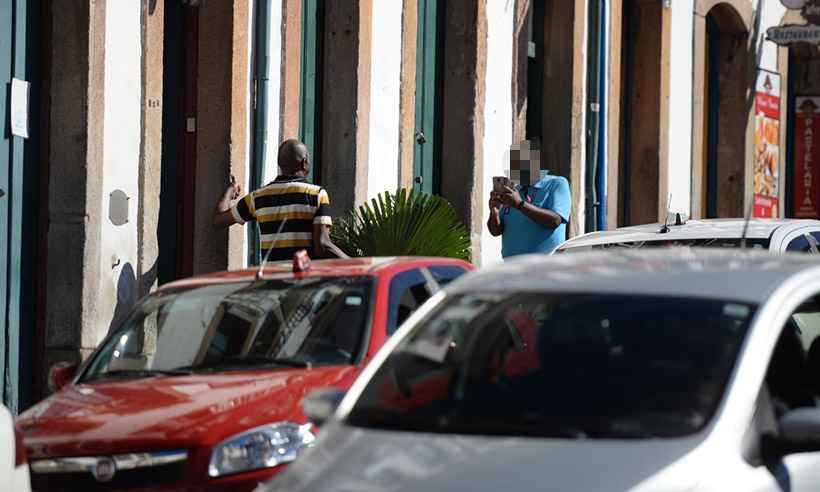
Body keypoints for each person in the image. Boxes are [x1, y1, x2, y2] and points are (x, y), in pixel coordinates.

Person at [213, 138, 348, 260]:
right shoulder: (316, 194)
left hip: (272, 280)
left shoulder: (257, 197)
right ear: (304, 161)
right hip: (304, 281)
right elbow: (322, 246)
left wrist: (230, 191)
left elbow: (218, 220)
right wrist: (354, 263)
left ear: (279, 163)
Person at [487, 141, 571, 257]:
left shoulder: (556, 183)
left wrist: (520, 205)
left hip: (546, 267)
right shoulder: (513, 191)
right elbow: (496, 231)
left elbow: (555, 220)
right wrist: (494, 213)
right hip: (512, 267)